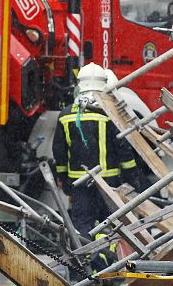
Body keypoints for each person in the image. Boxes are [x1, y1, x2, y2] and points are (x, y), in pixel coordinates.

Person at [52, 62, 140, 239]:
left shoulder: (65, 115)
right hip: (109, 185)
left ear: (79, 84)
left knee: (82, 228)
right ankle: (108, 255)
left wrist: (65, 181)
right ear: (104, 84)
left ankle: (85, 256)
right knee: (112, 226)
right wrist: (132, 180)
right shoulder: (110, 113)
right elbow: (124, 150)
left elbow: (60, 154)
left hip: (80, 185)